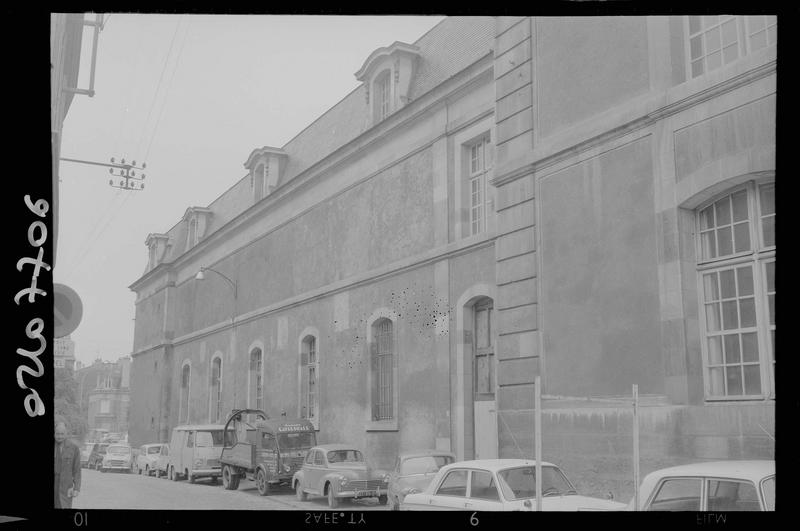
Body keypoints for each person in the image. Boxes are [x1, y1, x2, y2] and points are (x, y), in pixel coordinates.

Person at [54, 421, 81, 509]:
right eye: (57, 434)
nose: (59, 436)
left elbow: (77, 470)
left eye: (62, 434)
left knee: (64, 506)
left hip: (66, 486)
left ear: (66, 434)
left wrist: (76, 488)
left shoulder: (74, 448)